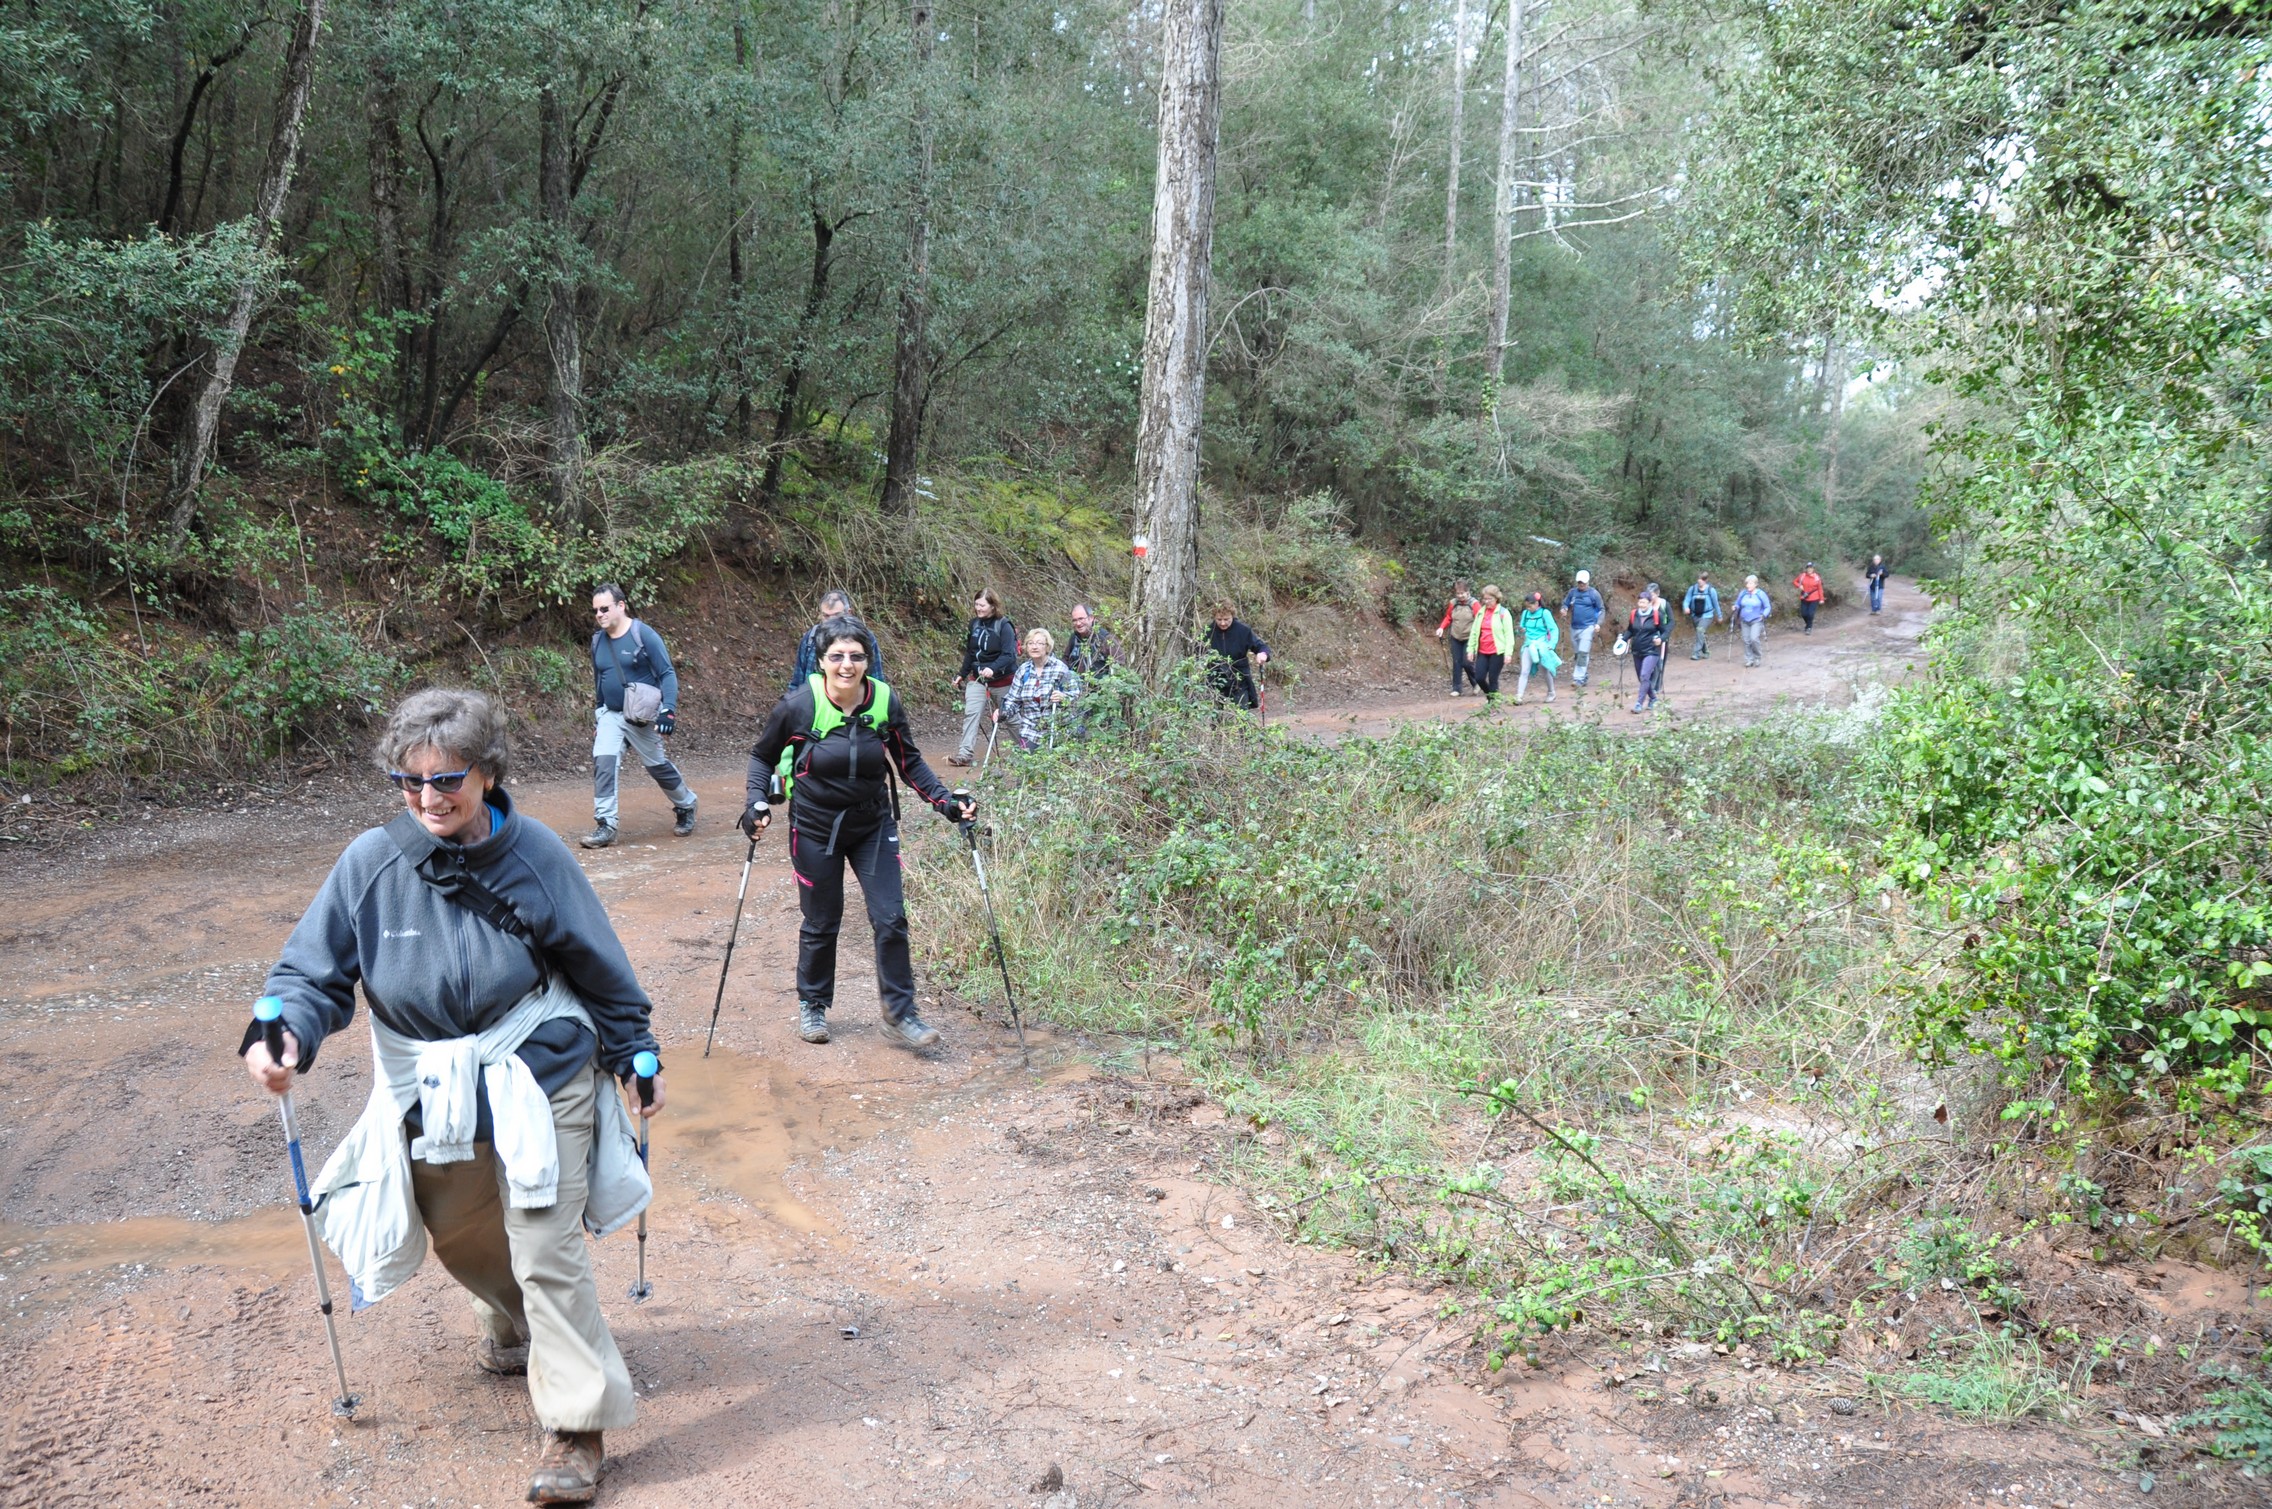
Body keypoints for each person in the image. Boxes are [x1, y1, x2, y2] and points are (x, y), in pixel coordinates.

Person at [242, 687, 663, 1504]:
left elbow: (601, 965)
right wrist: (285, 1032)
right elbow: (309, 972)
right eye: (411, 781)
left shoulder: (537, 855)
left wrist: (634, 1053)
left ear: (487, 774)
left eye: (447, 780)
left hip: (539, 1068)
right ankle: (512, 1321)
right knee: (463, 1230)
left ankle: (576, 1423)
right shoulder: (371, 863)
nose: (429, 798)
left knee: (545, 1240)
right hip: (431, 1081)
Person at [743, 616, 972, 1048]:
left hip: (872, 824)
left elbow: (908, 761)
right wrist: (755, 802)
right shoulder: (799, 705)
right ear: (821, 661)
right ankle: (813, 1004)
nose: (846, 664)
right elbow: (761, 757)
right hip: (814, 826)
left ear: (868, 660)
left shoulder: (884, 700)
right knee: (822, 920)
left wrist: (945, 801)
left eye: (856, 656)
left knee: (891, 917)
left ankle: (900, 1014)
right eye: (837, 656)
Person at [584, 583, 696, 849]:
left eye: (604, 609)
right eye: (596, 610)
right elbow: (599, 680)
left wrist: (668, 710)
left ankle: (686, 804)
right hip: (611, 714)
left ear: (621, 606)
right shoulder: (598, 641)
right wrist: (600, 715)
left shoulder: (643, 635)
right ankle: (606, 824)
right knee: (604, 761)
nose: (599, 614)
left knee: (657, 766)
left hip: (641, 715)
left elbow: (667, 673)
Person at [950, 589, 1018, 767]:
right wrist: (961, 674)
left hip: (1003, 680)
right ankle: (964, 754)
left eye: (982, 605)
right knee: (971, 713)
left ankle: (1027, 750)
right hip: (978, 679)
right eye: (976, 604)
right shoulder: (974, 624)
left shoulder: (1004, 626)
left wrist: (993, 668)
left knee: (1010, 717)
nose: (978, 608)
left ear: (993, 606)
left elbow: (1009, 654)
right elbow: (970, 653)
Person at [1003, 628, 1082, 748]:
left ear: (1047, 647)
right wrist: (1003, 711)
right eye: (1030, 643)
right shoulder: (1023, 670)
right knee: (1025, 758)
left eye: (1039, 643)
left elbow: (1076, 695)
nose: (1034, 647)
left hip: (1057, 731)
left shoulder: (1060, 668)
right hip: (1030, 731)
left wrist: (1063, 697)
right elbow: (1013, 699)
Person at [789, 588, 883, 688]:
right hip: (812, 697)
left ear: (849, 612)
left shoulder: (865, 637)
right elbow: (797, 681)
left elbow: (876, 681)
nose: (831, 621)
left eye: (837, 615)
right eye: (826, 616)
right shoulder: (811, 638)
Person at [1205, 603, 1272, 708]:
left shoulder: (1243, 630)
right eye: (1219, 619)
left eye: (1226, 619)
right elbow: (1197, 653)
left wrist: (1263, 654)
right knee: (1214, 713)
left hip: (1239, 678)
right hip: (1215, 678)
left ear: (1232, 616)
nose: (1222, 623)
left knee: (1242, 712)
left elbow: (1261, 646)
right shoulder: (1208, 631)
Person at [1464, 585, 1513, 705]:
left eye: (1489, 599)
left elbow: (1509, 635)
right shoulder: (1481, 612)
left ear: (1496, 598)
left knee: (1493, 679)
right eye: (1484, 599)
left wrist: (1508, 653)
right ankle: (1491, 697)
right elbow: (1474, 632)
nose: (1486, 602)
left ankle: (1493, 705)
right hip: (1482, 651)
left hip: (1497, 652)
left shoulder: (1503, 613)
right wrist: (1470, 649)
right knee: (1479, 677)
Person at [1625, 583, 1670, 713]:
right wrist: (1622, 640)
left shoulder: (1656, 615)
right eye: (1640, 602)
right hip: (1637, 650)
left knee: (1645, 675)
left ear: (1650, 603)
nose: (1641, 605)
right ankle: (1653, 698)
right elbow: (1630, 630)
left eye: (1644, 603)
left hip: (1652, 651)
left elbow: (1665, 631)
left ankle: (1639, 703)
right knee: (1642, 678)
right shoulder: (1634, 615)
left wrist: (1660, 639)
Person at [1512, 590, 1562, 704]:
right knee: (1524, 670)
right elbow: (1521, 629)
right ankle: (1519, 696)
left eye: (1530, 606)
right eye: (1526, 607)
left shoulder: (1545, 613)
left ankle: (1551, 692)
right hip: (1528, 644)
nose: (1528, 609)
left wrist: (1552, 644)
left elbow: (1553, 629)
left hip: (1542, 644)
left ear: (1536, 603)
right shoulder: (1525, 614)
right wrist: (1520, 630)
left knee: (1545, 669)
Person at [1435, 580, 1479, 697]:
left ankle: (1476, 683)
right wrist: (1441, 628)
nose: (1460, 596)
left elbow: (1480, 620)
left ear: (1468, 592)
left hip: (1470, 638)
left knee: (1467, 663)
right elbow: (1448, 617)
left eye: (1462, 593)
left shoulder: (1474, 604)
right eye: (1458, 593)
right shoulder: (1453, 603)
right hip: (1455, 636)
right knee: (1457, 662)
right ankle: (1457, 688)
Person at [1561, 570, 1605, 687]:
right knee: (1577, 654)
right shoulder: (1573, 593)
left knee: (1582, 653)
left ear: (1588, 582)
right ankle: (1583, 675)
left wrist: (1598, 623)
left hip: (1588, 627)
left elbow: (1601, 609)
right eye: (1579, 582)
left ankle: (1578, 679)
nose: (1581, 584)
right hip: (1574, 627)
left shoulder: (1594, 594)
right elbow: (1565, 603)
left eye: (1583, 582)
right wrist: (1564, 609)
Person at [1064, 603, 1115, 679]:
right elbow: (1066, 659)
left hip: (1098, 684)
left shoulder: (1104, 638)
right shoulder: (1074, 638)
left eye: (1081, 619)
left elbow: (1118, 663)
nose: (1078, 623)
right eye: (1074, 620)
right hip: (1074, 683)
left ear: (1091, 618)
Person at [1734, 574, 1773, 668]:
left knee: (1754, 639)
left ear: (1755, 584)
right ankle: (1749, 659)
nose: (1748, 585)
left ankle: (1757, 657)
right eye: (1747, 583)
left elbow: (1767, 606)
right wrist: (1735, 607)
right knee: (1746, 640)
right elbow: (1738, 603)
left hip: (1757, 620)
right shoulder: (1743, 593)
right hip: (1744, 620)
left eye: (1750, 583)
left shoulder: (1760, 594)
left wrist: (1764, 614)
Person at [1792, 562, 1826, 634]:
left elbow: (1820, 588)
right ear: (1806, 569)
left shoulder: (1817, 577)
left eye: (1811, 568)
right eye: (1808, 568)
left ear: (1813, 569)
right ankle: (1808, 624)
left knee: (1810, 614)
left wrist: (1821, 599)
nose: (1809, 569)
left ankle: (1809, 627)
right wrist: (1799, 586)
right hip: (1804, 597)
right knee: (1804, 614)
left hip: (1814, 598)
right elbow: (1794, 582)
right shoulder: (1802, 576)